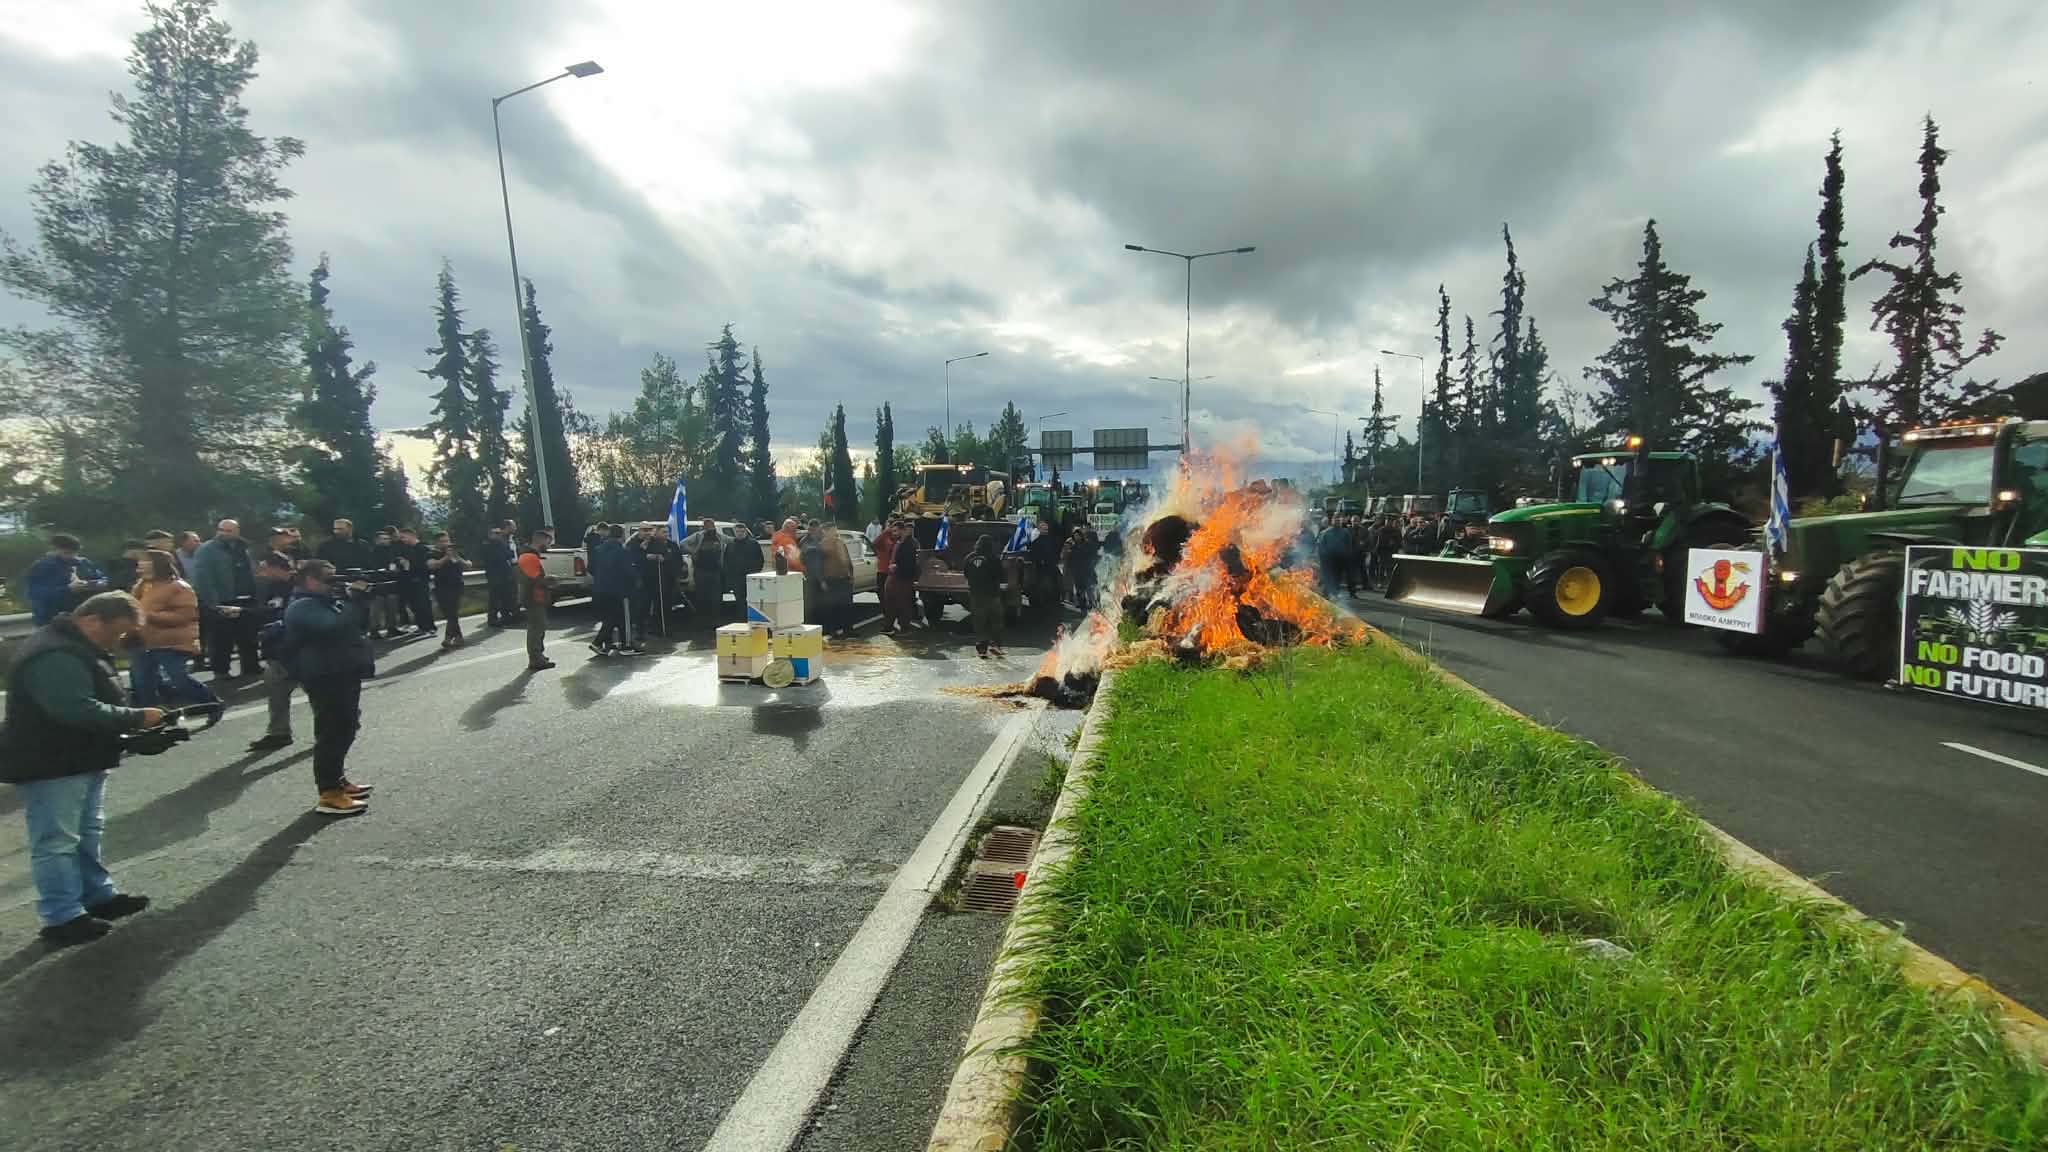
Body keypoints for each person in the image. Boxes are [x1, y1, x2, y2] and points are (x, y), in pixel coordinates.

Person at [3, 592, 166, 946]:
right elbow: (74, 708)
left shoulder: (75, 646)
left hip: (79, 757)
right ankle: (62, 916)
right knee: (57, 841)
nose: (118, 643)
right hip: (52, 762)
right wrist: (135, 718)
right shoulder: (55, 654)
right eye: (116, 633)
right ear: (92, 620)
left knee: (85, 832)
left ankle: (96, 896)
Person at [280, 560, 375, 816]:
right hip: (324, 674)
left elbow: (356, 626)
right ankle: (329, 793)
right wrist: (353, 600)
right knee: (332, 731)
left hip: (342, 670)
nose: (335, 583)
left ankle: (338, 780)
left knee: (347, 726)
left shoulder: (327, 602)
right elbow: (334, 627)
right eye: (328, 579)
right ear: (310, 580)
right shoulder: (301, 606)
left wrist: (361, 601)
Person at [129, 549, 220, 711]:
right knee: (143, 683)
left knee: (179, 679)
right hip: (143, 642)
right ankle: (151, 718)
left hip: (171, 643)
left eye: (145, 561)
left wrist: (149, 615)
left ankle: (212, 704)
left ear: (157, 564)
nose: (140, 564)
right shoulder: (141, 586)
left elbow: (185, 616)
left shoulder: (178, 587)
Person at [190, 519, 261, 679]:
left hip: (246, 598)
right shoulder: (206, 550)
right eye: (222, 530)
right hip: (223, 600)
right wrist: (213, 603)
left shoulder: (244, 548)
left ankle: (251, 667)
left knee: (248, 636)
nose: (225, 533)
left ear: (237, 531)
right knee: (221, 639)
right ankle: (221, 671)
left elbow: (252, 570)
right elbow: (203, 578)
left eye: (229, 530)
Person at [26, 534, 109, 626]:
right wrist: (68, 589)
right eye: (67, 553)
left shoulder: (84, 563)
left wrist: (94, 584)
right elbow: (36, 594)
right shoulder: (41, 567)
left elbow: (104, 580)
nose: (71, 556)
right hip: (53, 620)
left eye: (74, 553)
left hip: (83, 618)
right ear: (54, 550)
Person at [517, 528, 558, 671]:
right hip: (533, 597)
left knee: (539, 627)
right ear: (540, 540)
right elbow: (535, 579)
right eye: (548, 541)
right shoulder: (529, 557)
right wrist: (550, 580)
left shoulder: (530, 555)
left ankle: (539, 655)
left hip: (534, 596)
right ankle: (536, 659)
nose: (549, 545)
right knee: (536, 628)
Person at [588, 524, 633, 656]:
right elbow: (627, 570)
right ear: (622, 535)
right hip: (616, 589)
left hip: (600, 588)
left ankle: (609, 644)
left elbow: (590, 568)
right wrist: (635, 581)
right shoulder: (621, 551)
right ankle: (600, 642)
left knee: (609, 617)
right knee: (617, 617)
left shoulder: (598, 549)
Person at [964, 535, 1005, 658]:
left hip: (976, 595)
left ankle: (981, 649)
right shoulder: (994, 558)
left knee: (979, 622)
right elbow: (1000, 575)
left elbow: (966, 574)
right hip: (992, 594)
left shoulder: (969, 557)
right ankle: (995, 645)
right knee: (996, 621)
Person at [390, 526, 435, 636]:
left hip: (421, 580)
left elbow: (426, 566)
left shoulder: (423, 548)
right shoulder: (406, 549)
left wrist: (409, 565)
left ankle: (430, 627)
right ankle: (421, 626)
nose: (402, 540)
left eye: (404, 537)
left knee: (424, 604)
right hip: (409, 581)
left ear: (412, 536)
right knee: (415, 606)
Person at [815, 523, 856, 637]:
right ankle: (833, 630)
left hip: (844, 578)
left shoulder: (841, 542)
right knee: (832, 606)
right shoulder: (821, 546)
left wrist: (851, 574)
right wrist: (822, 581)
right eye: (832, 530)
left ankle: (848, 629)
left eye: (835, 530)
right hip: (831, 579)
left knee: (847, 605)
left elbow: (847, 559)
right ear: (825, 531)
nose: (835, 532)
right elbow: (818, 565)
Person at [429, 532, 469, 648]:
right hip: (441, 586)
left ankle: (448, 638)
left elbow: (468, 565)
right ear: (436, 543)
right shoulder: (433, 553)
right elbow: (432, 565)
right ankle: (458, 637)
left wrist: (457, 557)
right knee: (448, 613)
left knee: (453, 612)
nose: (446, 544)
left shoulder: (457, 552)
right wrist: (446, 557)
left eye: (447, 541)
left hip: (456, 586)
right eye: (442, 541)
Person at [639, 525, 679, 636]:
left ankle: (667, 626)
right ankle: (654, 627)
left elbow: (677, 559)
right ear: (656, 533)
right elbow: (641, 557)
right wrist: (650, 556)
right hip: (653, 579)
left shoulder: (672, 545)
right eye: (663, 532)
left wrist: (666, 559)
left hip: (668, 579)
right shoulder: (650, 544)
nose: (666, 534)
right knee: (655, 605)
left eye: (667, 532)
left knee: (667, 604)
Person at [685, 518, 726, 624]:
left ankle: (716, 620)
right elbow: (683, 544)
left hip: (715, 570)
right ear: (704, 526)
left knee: (716, 597)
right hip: (701, 570)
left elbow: (731, 540)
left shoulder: (719, 536)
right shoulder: (698, 536)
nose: (709, 527)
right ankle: (702, 620)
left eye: (711, 525)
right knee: (701, 596)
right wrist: (693, 551)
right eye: (707, 525)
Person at [883, 522, 920, 632]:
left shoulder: (910, 544)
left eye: (895, 531)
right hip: (895, 576)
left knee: (903, 603)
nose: (893, 533)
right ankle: (889, 626)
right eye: (892, 531)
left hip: (902, 578)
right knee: (891, 601)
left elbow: (911, 563)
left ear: (902, 530)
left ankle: (904, 627)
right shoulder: (899, 543)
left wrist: (897, 566)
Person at [724, 522, 764, 621]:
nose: (740, 533)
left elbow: (760, 560)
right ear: (734, 532)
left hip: (750, 577)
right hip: (736, 579)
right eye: (737, 531)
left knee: (752, 600)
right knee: (739, 601)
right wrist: (729, 578)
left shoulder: (753, 544)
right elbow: (726, 561)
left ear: (745, 532)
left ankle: (753, 619)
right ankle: (741, 620)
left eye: (742, 531)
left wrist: (755, 573)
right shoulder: (730, 544)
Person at [481, 525, 519, 627]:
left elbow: (510, 554)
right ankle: (492, 618)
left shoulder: (502, 543)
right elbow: (496, 557)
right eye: (496, 533)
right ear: (490, 535)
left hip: (504, 573)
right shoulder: (487, 545)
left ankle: (506, 616)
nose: (498, 535)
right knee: (494, 598)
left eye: (499, 533)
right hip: (494, 575)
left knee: (506, 596)